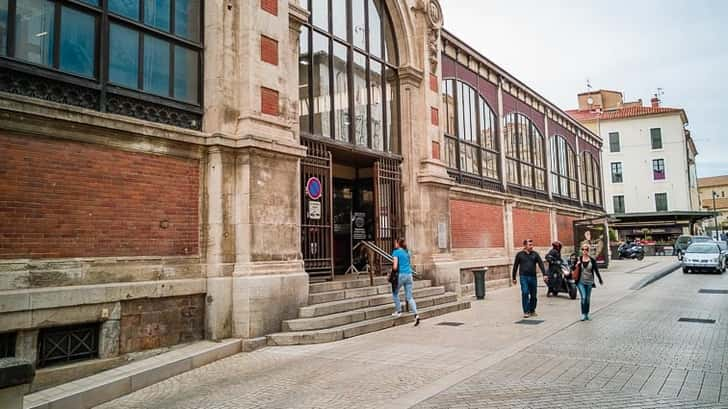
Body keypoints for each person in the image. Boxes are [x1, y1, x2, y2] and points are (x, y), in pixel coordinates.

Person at [511, 239, 547, 318]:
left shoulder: (535, 254)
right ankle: (526, 311)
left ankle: (532, 310)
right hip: (523, 277)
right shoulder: (519, 255)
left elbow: (541, 264)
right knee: (525, 292)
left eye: (532, 245)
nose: (531, 246)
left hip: (533, 277)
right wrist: (513, 277)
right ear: (525, 245)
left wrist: (544, 274)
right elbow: (515, 266)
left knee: (533, 295)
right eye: (530, 245)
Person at [391, 238, 420, 326]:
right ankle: (416, 315)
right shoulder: (408, 252)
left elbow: (395, 267)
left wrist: (391, 272)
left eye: (396, 243)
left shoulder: (396, 252)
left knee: (395, 293)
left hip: (401, 275)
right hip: (409, 275)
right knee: (409, 297)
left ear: (398, 244)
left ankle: (399, 311)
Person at [573, 244, 604, 321]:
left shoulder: (592, 260)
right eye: (583, 249)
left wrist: (600, 279)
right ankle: (583, 314)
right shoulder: (579, 259)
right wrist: (576, 265)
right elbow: (573, 268)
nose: (584, 251)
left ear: (588, 251)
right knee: (583, 297)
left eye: (586, 249)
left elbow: (596, 270)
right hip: (581, 281)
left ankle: (587, 314)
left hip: (589, 282)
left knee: (587, 298)